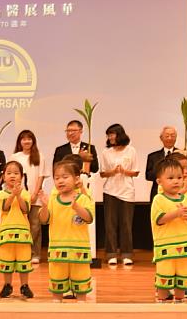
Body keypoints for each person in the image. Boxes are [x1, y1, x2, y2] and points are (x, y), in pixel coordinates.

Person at [40, 160, 95, 301]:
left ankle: (81, 310)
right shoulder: (52, 199)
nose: (60, 181)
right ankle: (57, 307)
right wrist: (45, 206)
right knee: (57, 287)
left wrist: (76, 207)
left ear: (76, 179)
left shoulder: (83, 198)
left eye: (65, 177)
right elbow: (43, 220)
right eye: (57, 178)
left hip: (78, 251)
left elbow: (89, 217)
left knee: (81, 287)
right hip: (58, 252)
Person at [150, 158, 187, 303]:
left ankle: (180, 300)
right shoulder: (159, 200)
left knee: (183, 277)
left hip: (185, 248)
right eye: (171, 178)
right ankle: (163, 300)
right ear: (159, 182)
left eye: (179, 177)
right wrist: (176, 214)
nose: (176, 181)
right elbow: (159, 219)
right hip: (167, 248)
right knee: (164, 276)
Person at [98, 123, 139, 266]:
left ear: (119, 134)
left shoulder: (131, 150)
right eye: (108, 135)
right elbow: (103, 173)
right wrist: (113, 172)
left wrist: (124, 171)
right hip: (110, 191)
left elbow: (135, 172)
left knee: (126, 224)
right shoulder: (106, 152)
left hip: (127, 192)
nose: (110, 137)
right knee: (110, 224)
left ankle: (127, 254)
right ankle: (111, 254)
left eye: (112, 134)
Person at [9, 130, 51, 264]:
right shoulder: (15, 156)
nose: (26, 141)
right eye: (23, 139)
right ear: (19, 141)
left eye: (29, 139)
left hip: (35, 196)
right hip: (19, 197)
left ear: (33, 141)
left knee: (35, 226)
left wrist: (34, 193)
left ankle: (35, 254)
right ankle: (22, 253)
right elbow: (11, 175)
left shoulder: (39, 156)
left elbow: (41, 176)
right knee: (20, 225)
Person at [0, 161, 34, 298]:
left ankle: (25, 285)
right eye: (9, 173)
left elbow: (26, 209)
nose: (12, 176)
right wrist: (12, 194)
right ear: (3, 177)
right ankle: (7, 285)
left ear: (21, 177)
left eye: (16, 173)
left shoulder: (25, 194)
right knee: (7, 260)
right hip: (6, 234)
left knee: (23, 260)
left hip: (22, 233)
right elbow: (5, 207)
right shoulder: (1, 194)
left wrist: (18, 195)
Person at [146, 126, 179, 201]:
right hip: (157, 192)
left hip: (177, 192)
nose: (170, 138)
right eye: (167, 136)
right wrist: (164, 175)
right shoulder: (152, 156)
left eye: (173, 136)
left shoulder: (181, 154)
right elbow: (148, 175)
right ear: (161, 138)